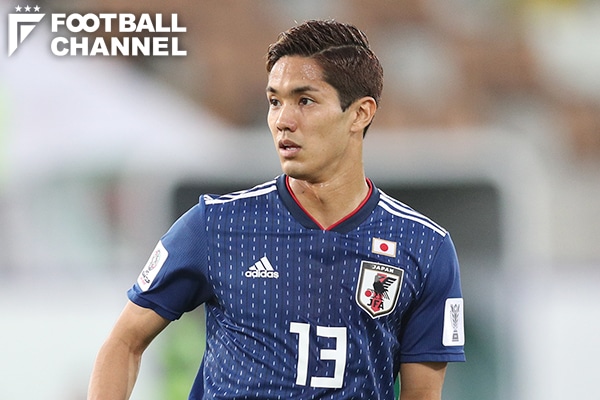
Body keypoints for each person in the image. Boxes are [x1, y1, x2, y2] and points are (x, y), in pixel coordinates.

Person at [88, 19, 465, 400]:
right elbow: (123, 343)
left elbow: (422, 394)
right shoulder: (214, 225)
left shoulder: (425, 248)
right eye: (274, 101)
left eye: (305, 101)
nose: (283, 121)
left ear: (360, 113)